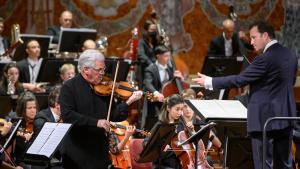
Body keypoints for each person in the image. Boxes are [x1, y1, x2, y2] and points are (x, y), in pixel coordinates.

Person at [193, 20, 298, 169]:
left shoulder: (264, 58)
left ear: (266, 35)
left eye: (254, 37)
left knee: (263, 165)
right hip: (286, 117)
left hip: (264, 120)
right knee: (285, 165)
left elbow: (240, 79)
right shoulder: (291, 55)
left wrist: (210, 81)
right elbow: (290, 82)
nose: (251, 41)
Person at [59, 49, 143, 169]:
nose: (103, 73)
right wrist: (96, 122)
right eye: (99, 70)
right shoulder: (69, 87)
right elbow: (68, 116)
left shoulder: (104, 88)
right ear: (85, 70)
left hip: (100, 151)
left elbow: (114, 115)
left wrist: (129, 102)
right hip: (77, 153)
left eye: (103, 69)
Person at [141, 45, 183, 131]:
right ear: (158, 56)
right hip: (155, 103)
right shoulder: (150, 69)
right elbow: (147, 83)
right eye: (166, 56)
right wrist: (156, 92)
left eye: (169, 55)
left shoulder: (170, 69)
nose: (168, 58)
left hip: (168, 102)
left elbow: (172, 85)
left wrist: (180, 78)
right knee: (155, 125)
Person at [143, 94, 184, 169]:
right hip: (163, 165)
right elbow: (146, 143)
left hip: (179, 162)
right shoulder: (160, 125)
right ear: (168, 108)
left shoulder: (181, 124)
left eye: (182, 109)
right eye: (177, 109)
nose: (180, 113)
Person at [13, 91, 38, 169]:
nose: (33, 110)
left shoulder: (40, 121)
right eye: (29, 108)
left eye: (34, 107)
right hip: (23, 160)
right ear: (22, 109)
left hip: (38, 159)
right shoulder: (17, 124)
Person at [136, 19, 160, 86]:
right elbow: (141, 54)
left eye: (154, 30)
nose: (154, 31)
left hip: (153, 69)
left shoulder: (155, 41)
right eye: (151, 30)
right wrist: (150, 63)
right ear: (146, 30)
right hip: (143, 69)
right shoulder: (142, 42)